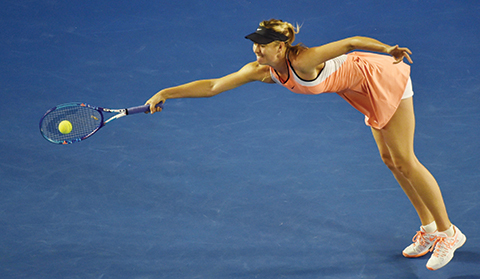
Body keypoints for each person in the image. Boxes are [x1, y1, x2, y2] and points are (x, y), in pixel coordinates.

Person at [145, 19, 466, 270]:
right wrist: (165, 92)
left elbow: (352, 43)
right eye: (256, 45)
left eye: (264, 46)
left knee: (406, 160)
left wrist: (388, 50)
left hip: (382, 77)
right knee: (390, 160)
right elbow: (213, 86)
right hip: (359, 89)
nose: (257, 51)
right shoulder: (263, 71)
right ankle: (429, 227)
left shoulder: (306, 60)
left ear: (282, 47)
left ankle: (449, 233)